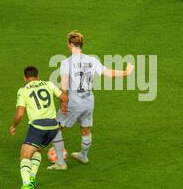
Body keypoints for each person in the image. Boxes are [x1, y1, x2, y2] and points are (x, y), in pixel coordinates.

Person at [47, 31, 134, 170]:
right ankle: (83, 155)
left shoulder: (66, 62)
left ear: (70, 44)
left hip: (74, 102)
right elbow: (108, 73)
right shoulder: (91, 60)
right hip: (88, 101)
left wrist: (63, 102)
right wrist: (125, 72)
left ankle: (61, 163)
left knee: (56, 128)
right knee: (85, 129)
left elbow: (64, 85)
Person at [10, 66, 68, 189]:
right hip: (53, 128)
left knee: (24, 156)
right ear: (37, 76)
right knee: (37, 151)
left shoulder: (23, 90)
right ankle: (32, 179)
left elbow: (19, 113)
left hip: (37, 128)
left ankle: (26, 184)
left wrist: (14, 126)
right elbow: (65, 98)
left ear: (25, 78)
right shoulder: (48, 84)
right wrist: (63, 106)